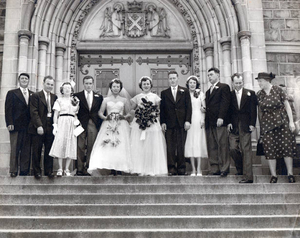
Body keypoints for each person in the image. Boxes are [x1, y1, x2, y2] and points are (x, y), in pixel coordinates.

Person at [256, 72, 297, 183]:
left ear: (266, 81)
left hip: (282, 122)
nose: (259, 83)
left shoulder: (278, 90)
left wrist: (291, 122)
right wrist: (261, 128)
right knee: (270, 149)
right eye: (258, 81)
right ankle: (273, 175)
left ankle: (290, 174)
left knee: (286, 147)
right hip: (267, 125)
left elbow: (287, 106)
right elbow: (260, 112)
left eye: (260, 81)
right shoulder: (259, 94)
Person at [88, 79, 131, 174]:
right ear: (111, 88)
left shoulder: (124, 100)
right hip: (108, 124)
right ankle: (111, 168)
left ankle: (119, 168)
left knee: (120, 145)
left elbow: (129, 114)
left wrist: (122, 116)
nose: (116, 88)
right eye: (114, 86)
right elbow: (100, 112)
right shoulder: (106, 99)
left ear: (120, 88)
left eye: (118, 87)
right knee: (109, 145)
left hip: (121, 124)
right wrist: (106, 117)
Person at [130, 76, 168, 176]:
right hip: (140, 124)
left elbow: (159, 110)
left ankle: (152, 169)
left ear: (150, 85)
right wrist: (140, 113)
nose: (146, 86)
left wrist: (152, 115)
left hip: (152, 123)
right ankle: (141, 168)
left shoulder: (155, 97)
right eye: (144, 84)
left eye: (147, 84)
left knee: (152, 145)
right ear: (141, 86)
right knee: (140, 146)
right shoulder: (137, 97)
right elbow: (132, 110)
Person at [160, 71, 192, 176]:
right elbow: (163, 109)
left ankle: (182, 168)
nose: (172, 80)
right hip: (169, 123)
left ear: (177, 78)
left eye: (174, 78)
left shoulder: (185, 91)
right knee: (171, 147)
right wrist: (163, 122)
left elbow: (189, 107)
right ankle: (172, 168)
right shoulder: (164, 93)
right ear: (168, 80)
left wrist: (188, 120)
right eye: (170, 78)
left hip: (182, 123)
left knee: (181, 146)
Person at [227, 73, 257, 183]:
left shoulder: (250, 94)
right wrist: (228, 122)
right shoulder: (229, 95)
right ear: (233, 83)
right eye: (236, 83)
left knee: (246, 150)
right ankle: (240, 168)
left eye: (240, 83)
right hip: (233, 125)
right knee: (232, 148)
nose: (238, 85)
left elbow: (253, 110)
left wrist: (252, 124)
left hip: (245, 125)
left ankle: (248, 177)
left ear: (242, 82)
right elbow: (228, 110)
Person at [73, 76, 103, 176]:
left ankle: (88, 167)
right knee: (80, 146)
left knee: (91, 145)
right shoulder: (77, 96)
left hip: (93, 123)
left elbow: (100, 111)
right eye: (86, 83)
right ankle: (79, 169)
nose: (88, 85)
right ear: (83, 84)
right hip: (81, 123)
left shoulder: (98, 97)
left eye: (90, 83)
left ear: (93, 84)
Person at [28, 75, 57, 179]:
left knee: (49, 150)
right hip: (38, 127)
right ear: (43, 83)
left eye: (52, 84)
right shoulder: (36, 96)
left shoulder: (55, 97)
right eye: (48, 84)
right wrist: (39, 126)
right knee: (37, 150)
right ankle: (37, 172)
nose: (50, 86)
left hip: (50, 127)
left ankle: (49, 171)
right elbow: (34, 112)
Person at [5, 73, 33, 177]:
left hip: (28, 127)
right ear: (19, 80)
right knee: (15, 148)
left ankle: (24, 170)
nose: (24, 80)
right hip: (15, 125)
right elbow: (8, 109)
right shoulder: (12, 93)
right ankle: (13, 170)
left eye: (26, 78)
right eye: (22, 78)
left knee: (26, 149)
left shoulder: (32, 94)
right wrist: (9, 123)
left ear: (28, 81)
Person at [49, 82, 80, 176]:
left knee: (70, 143)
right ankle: (60, 168)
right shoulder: (59, 100)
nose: (67, 89)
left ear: (72, 90)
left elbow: (75, 113)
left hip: (71, 122)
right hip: (62, 121)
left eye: (69, 88)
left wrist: (76, 122)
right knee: (61, 143)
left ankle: (67, 169)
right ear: (62, 90)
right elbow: (55, 114)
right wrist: (55, 125)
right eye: (65, 88)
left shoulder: (75, 100)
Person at [205, 67, 231, 177]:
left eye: (211, 74)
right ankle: (214, 168)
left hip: (220, 121)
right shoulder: (207, 91)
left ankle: (224, 168)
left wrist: (221, 117)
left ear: (217, 75)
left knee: (222, 145)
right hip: (210, 122)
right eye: (208, 75)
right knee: (212, 145)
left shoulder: (224, 87)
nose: (209, 77)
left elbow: (225, 103)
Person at [184, 75, 207, 176]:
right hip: (189, 120)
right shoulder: (185, 94)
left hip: (198, 119)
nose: (192, 84)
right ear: (188, 84)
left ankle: (199, 169)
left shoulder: (200, 94)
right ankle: (193, 169)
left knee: (198, 142)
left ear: (196, 84)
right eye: (190, 83)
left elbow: (203, 108)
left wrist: (202, 119)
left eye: (194, 83)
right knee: (191, 143)